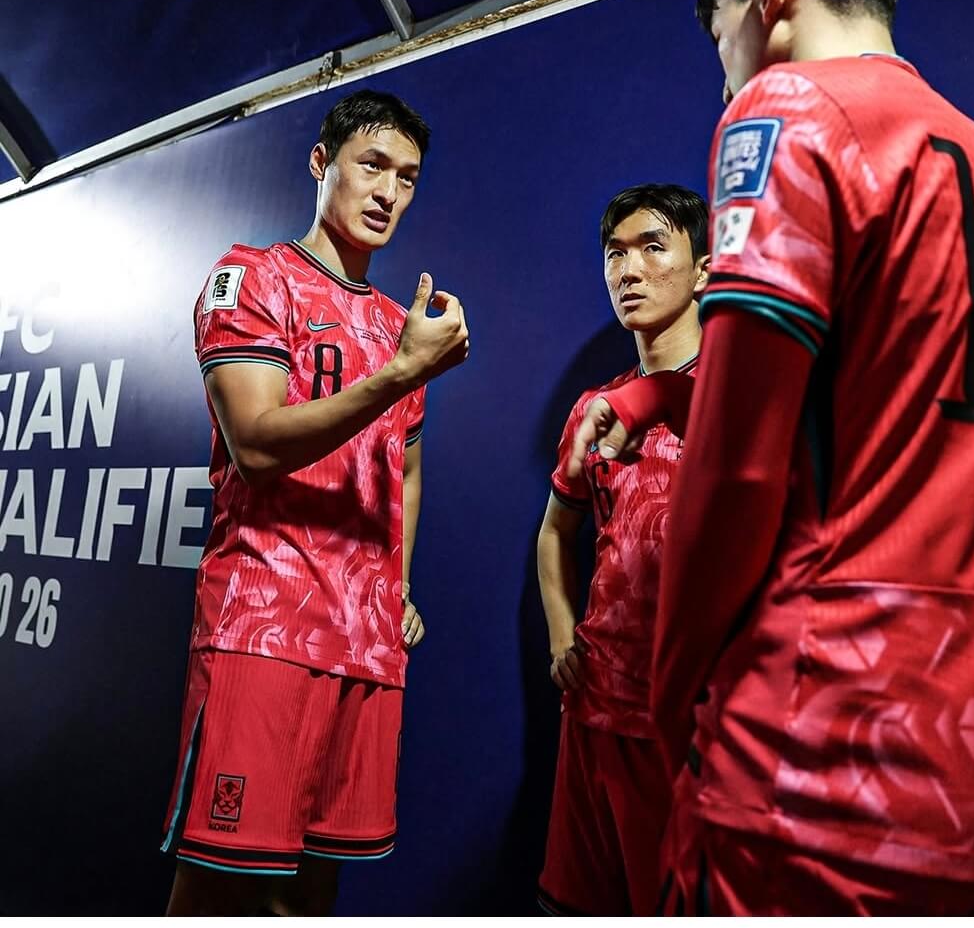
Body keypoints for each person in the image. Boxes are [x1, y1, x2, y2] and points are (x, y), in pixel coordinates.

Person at [569, 0, 974, 915]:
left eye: (723, 44)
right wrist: (658, 398)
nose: (726, 78)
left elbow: (740, 466)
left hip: (820, 745)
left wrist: (673, 690)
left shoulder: (787, 108)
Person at [160, 89, 469, 915]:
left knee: (312, 888)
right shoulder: (252, 278)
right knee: (220, 883)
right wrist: (402, 372)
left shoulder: (401, 324)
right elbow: (257, 445)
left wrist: (398, 584)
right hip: (263, 626)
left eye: (407, 177)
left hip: (365, 644)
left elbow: (404, 467)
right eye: (372, 166)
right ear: (320, 162)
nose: (388, 192)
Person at [536, 184, 708, 915]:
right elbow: (555, 532)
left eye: (652, 247)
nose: (628, 270)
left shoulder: (736, 398)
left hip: (691, 728)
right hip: (594, 712)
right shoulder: (592, 409)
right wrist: (561, 636)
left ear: (703, 271)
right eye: (615, 253)